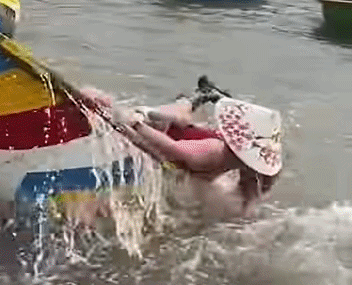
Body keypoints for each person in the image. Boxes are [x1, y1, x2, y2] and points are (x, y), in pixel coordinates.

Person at [77, 85, 282, 221]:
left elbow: (251, 201)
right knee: (172, 119)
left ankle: (196, 98)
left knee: (181, 122)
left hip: (196, 141)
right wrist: (132, 123)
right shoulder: (210, 152)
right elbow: (168, 148)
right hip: (166, 130)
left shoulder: (264, 170)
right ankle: (199, 96)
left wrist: (246, 215)